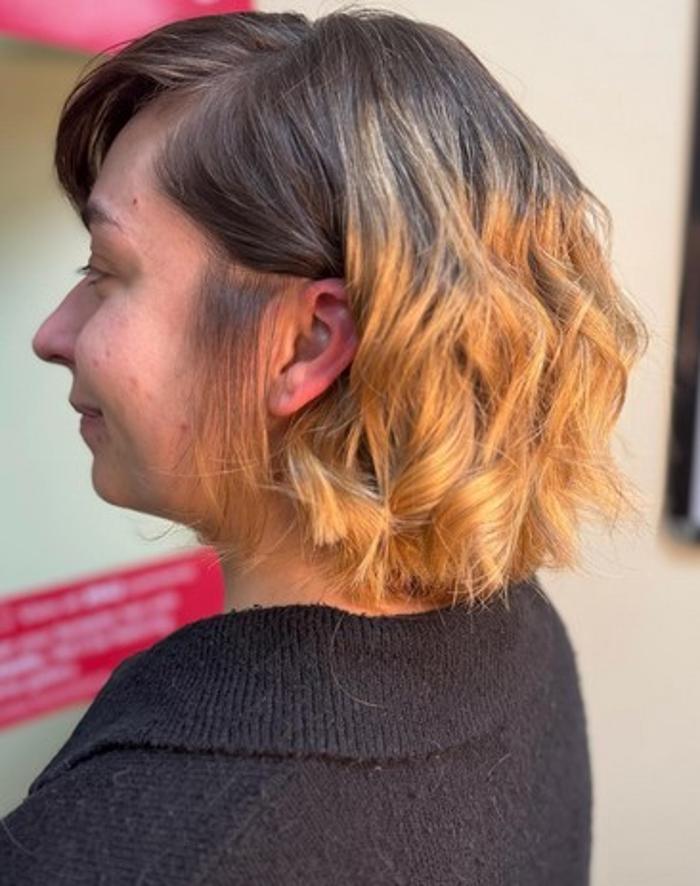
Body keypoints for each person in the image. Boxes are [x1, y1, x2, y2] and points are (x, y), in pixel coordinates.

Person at [1, 6, 649, 884]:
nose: (52, 333)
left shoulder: (142, 849)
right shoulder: (511, 634)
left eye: (107, 272)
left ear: (306, 345)